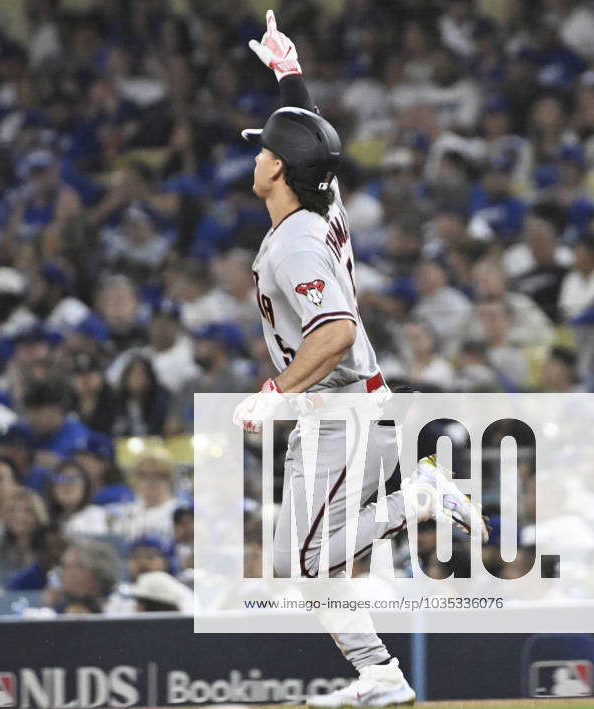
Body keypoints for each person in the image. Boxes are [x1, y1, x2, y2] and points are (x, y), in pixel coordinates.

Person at [231, 13, 487, 707]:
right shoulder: (321, 196)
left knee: (313, 558)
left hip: (344, 409)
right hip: (340, 408)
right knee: (300, 562)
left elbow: (337, 330)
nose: (256, 156)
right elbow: (314, 133)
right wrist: (289, 73)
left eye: (263, 150)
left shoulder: (294, 245)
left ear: (278, 168)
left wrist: (274, 391)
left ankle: (422, 497)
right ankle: (380, 675)